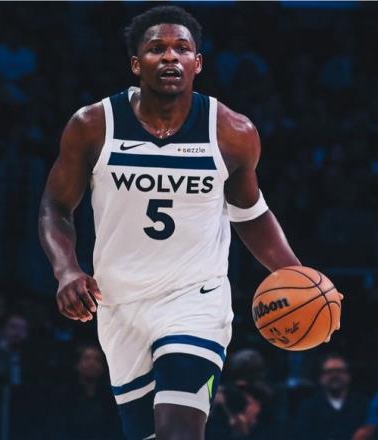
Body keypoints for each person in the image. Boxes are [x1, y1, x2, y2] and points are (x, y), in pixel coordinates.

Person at [39, 5, 316, 439]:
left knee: (178, 432)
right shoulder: (93, 125)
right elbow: (55, 207)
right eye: (157, 49)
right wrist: (66, 270)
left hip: (195, 299)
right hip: (119, 304)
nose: (171, 56)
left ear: (197, 63)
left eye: (182, 49)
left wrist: (298, 275)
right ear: (136, 64)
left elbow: (250, 213)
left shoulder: (231, 132)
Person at [294, 353, 368, 440]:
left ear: (348, 376)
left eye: (339, 371)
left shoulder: (364, 405)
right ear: (321, 378)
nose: (334, 375)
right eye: (329, 372)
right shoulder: (308, 407)